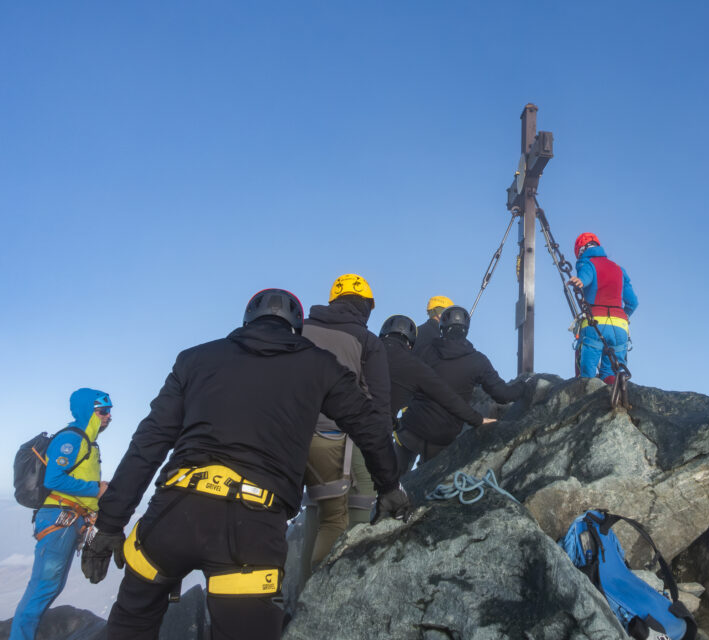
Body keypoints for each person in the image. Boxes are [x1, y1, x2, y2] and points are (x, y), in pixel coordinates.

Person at [81, 289, 409, 640]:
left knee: (131, 623)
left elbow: (148, 443)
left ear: (247, 321)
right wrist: (389, 486)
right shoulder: (320, 365)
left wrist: (110, 524)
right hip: (251, 526)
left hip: (172, 514)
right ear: (297, 326)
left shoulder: (194, 360)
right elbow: (370, 426)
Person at [300, 274, 390, 570]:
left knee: (313, 510)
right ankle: (338, 590)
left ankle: (293, 600)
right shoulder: (367, 340)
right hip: (340, 439)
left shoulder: (298, 329)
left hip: (291, 435)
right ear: (365, 305)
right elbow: (377, 405)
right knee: (358, 502)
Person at [10, 389, 113, 640]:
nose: (109, 416)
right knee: (43, 587)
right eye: (103, 411)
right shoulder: (71, 439)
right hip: (59, 519)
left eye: (110, 411)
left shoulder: (88, 442)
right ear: (89, 412)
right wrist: (96, 489)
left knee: (51, 586)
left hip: (72, 520)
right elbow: (54, 478)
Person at [396, 306, 520, 470]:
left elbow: (406, 379)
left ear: (442, 327)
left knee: (392, 480)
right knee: (427, 489)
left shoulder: (426, 351)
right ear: (466, 330)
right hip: (441, 438)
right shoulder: (478, 361)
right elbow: (502, 394)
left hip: (411, 428)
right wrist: (524, 387)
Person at [568, 232, 639, 383]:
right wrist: (622, 316)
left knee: (586, 375)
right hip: (620, 326)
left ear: (581, 251)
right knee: (611, 374)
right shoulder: (620, 270)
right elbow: (633, 302)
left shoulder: (587, 264)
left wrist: (579, 280)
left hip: (595, 324)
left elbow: (585, 278)